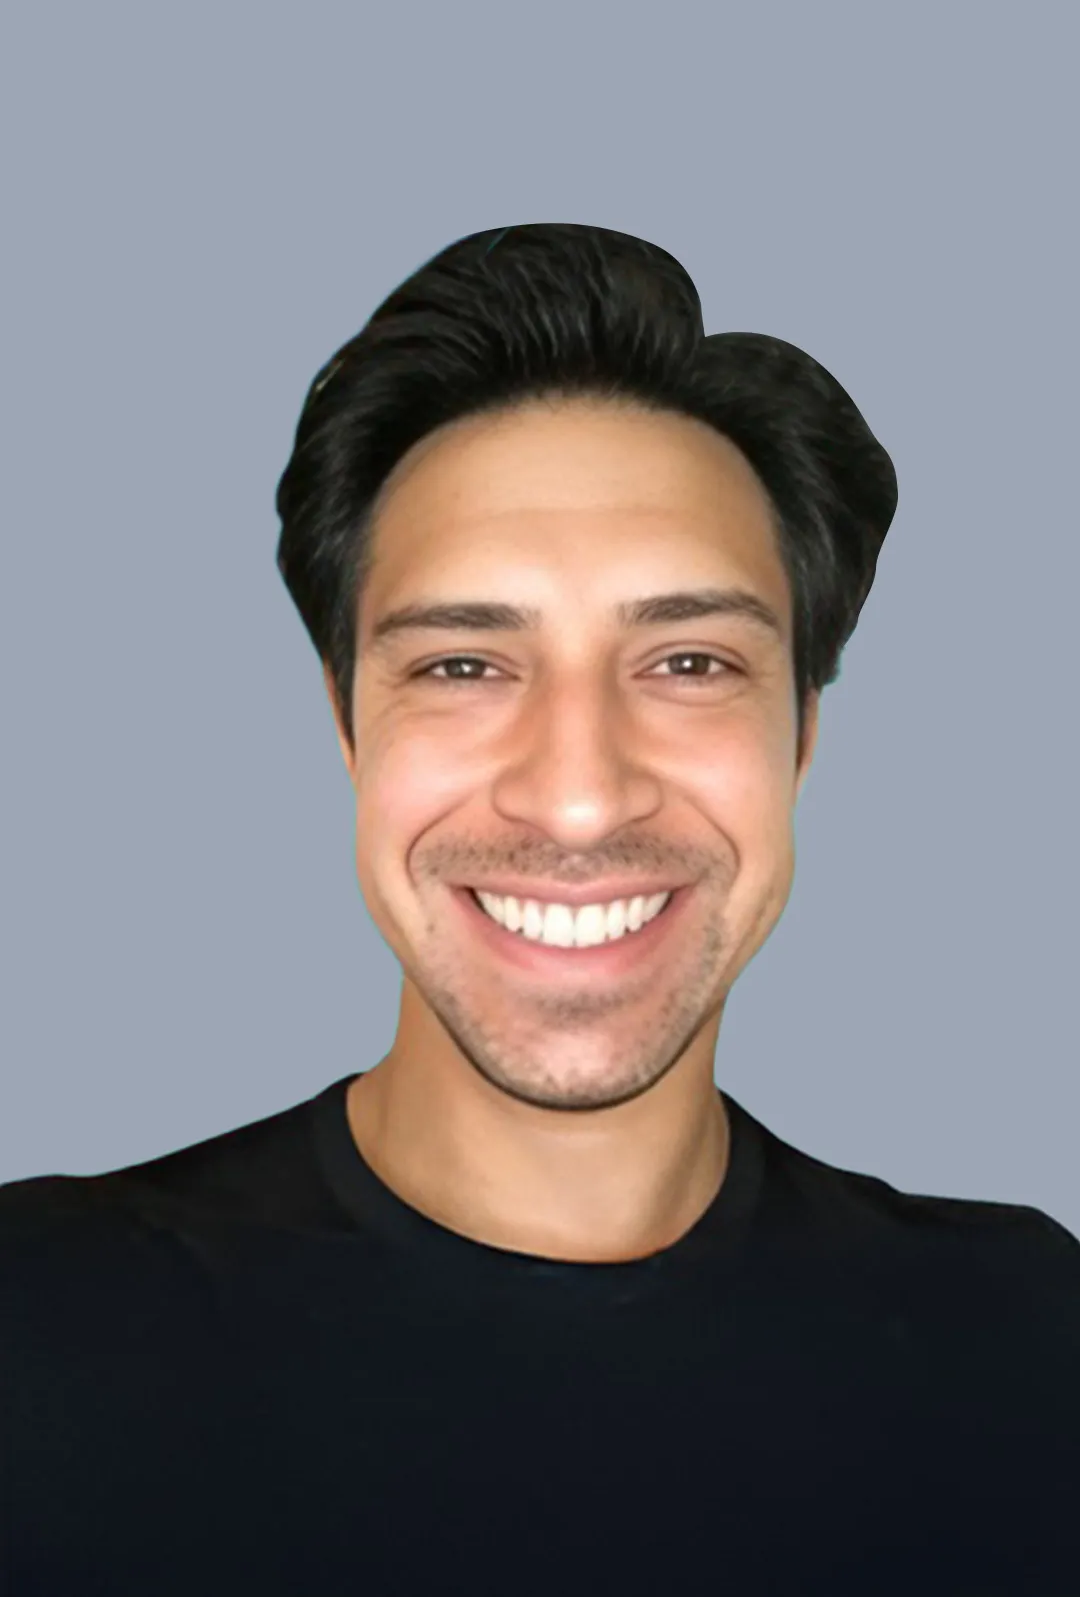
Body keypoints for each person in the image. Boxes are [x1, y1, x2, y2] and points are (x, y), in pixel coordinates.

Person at [2, 223, 1077, 1595]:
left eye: (688, 660)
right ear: (348, 728)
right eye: (462, 663)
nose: (578, 797)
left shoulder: (1028, 1341)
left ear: (801, 731)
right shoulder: (34, 1330)